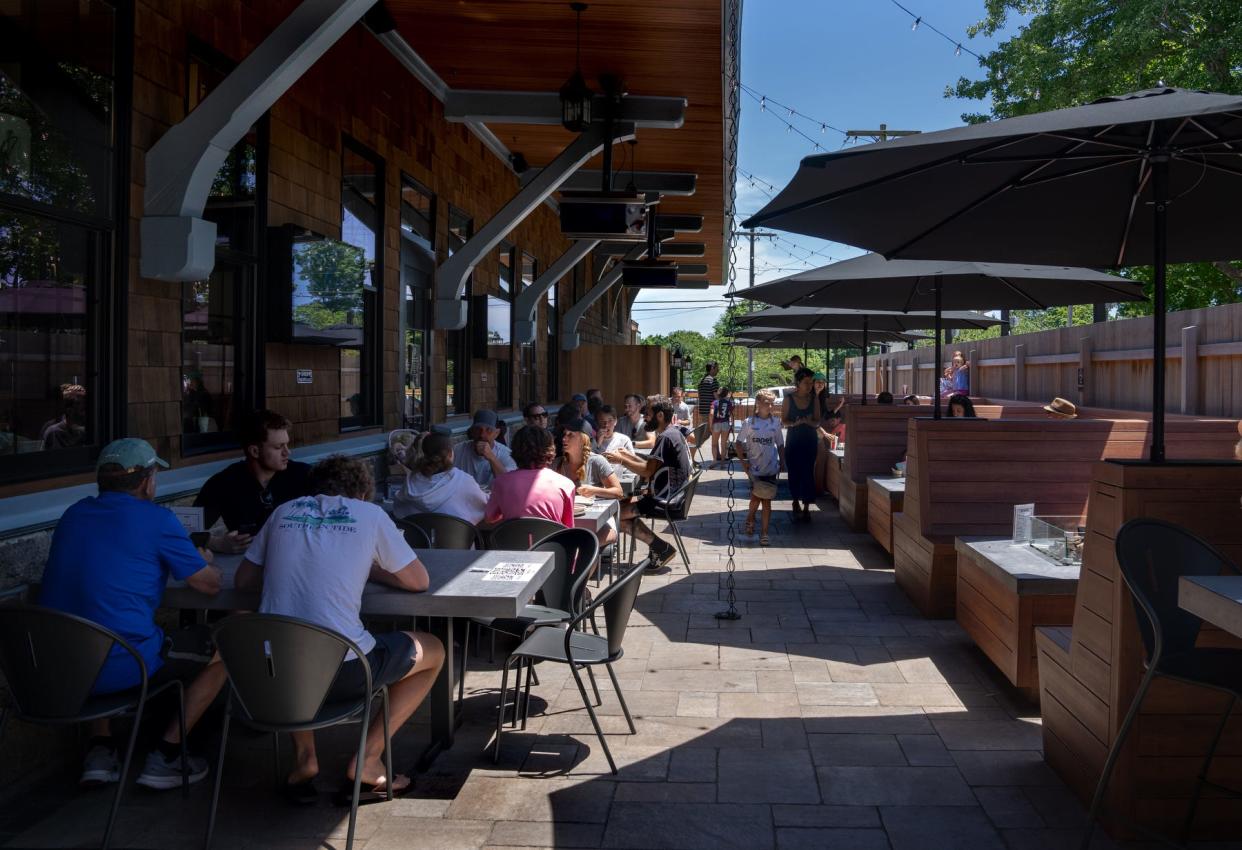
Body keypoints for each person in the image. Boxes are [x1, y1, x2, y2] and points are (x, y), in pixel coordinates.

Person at [235, 455, 442, 801]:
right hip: (343, 675)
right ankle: (368, 759)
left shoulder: (283, 511)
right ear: (361, 492)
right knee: (433, 648)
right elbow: (418, 581)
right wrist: (371, 568)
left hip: (272, 679)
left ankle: (305, 759)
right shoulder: (370, 515)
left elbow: (243, 580)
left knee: (291, 642)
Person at [40, 438, 227, 790]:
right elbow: (209, 586)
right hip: (122, 666)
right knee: (226, 650)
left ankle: (101, 749)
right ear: (147, 481)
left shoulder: (74, 513)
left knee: (99, 627)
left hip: (59, 668)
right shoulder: (157, 519)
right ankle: (166, 755)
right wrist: (204, 561)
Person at [195, 409, 311, 553]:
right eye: (278, 447)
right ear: (254, 451)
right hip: (246, 563)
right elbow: (180, 529)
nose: (287, 452)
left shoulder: (305, 475)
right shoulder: (224, 483)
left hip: (299, 556)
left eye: (287, 444)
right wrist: (216, 543)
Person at [604, 395, 692, 569]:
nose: (644, 416)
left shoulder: (665, 437)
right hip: (671, 495)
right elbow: (650, 465)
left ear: (660, 416)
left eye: (648, 413)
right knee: (619, 508)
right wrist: (628, 455)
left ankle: (660, 547)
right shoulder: (671, 433)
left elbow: (647, 471)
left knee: (613, 514)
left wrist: (622, 460)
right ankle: (659, 547)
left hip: (665, 500)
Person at [482, 425, 576, 528]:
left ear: (515, 450)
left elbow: (490, 518)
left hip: (511, 542)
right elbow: (567, 526)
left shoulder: (500, 482)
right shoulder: (566, 485)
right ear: (550, 450)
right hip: (550, 542)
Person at [392, 431, 487, 525]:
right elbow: (484, 506)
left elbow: (399, 510)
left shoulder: (411, 480)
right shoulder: (463, 480)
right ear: (450, 454)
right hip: (454, 539)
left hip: (418, 539)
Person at [556, 428, 622, 546]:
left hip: (597, 521)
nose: (564, 439)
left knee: (587, 544)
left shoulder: (597, 461)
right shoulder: (556, 464)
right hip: (566, 521)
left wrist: (594, 490)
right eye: (564, 435)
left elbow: (618, 492)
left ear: (583, 439)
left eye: (570, 435)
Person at [737, 390, 785, 546]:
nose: (770, 406)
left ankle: (764, 532)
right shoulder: (749, 423)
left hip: (771, 467)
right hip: (754, 468)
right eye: (767, 402)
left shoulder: (776, 423)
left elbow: (780, 444)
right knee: (756, 497)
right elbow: (738, 443)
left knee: (767, 501)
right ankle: (750, 517)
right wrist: (743, 462)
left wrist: (782, 461)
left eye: (773, 403)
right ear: (758, 403)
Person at [782, 367, 821, 522]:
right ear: (798, 382)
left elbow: (818, 421)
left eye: (811, 383)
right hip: (793, 441)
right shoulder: (788, 399)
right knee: (794, 472)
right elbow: (783, 421)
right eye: (806, 382)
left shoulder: (814, 399)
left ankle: (806, 507)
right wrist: (794, 423)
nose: (810, 385)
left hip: (810, 441)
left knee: (808, 473)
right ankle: (795, 500)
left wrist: (808, 422)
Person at [453, 409, 516, 487]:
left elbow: (509, 483)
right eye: (478, 429)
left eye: (488, 430)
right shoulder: (458, 450)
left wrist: (491, 457)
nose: (482, 435)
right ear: (472, 432)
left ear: (496, 433)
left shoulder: (506, 454)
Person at [593, 405, 635, 474]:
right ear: (597, 422)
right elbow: (590, 463)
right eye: (602, 421)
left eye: (610, 421)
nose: (606, 425)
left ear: (615, 421)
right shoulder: (592, 441)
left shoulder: (624, 440)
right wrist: (598, 444)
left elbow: (632, 462)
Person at [709, 385, 734, 465]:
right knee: (723, 444)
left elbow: (711, 414)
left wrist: (710, 425)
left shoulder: (714, 402)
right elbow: (730, 414)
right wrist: (731, 426)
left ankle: (714, 461)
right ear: (726, 394)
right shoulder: (729, 403)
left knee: (714, 444)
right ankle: (723, 462)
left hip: (716, 423)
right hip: (725, 423)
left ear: (718, 394)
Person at [697, 362, 719, 426]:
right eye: (717, 368)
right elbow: (716, 397)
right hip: (711, 411)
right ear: (712, 368)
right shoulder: (713, 380)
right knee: (712, 432)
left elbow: (699, 396)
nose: (718, 370)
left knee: (705, 432)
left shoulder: (701, 381)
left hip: (702, 410)